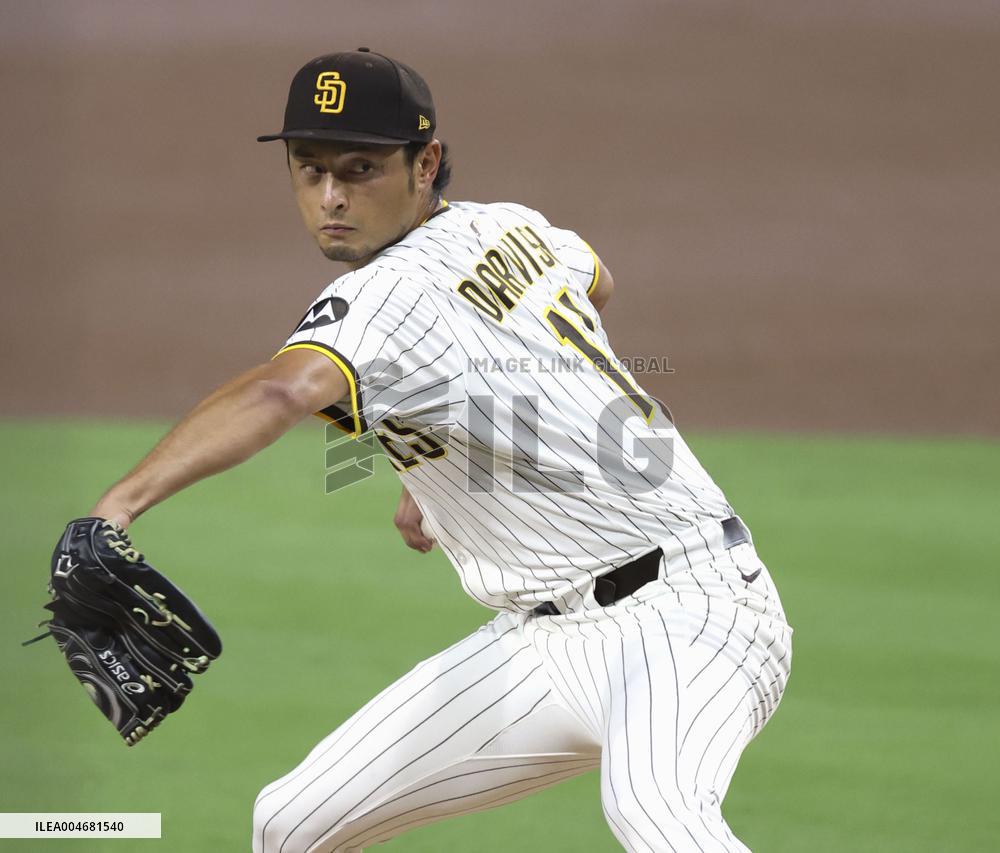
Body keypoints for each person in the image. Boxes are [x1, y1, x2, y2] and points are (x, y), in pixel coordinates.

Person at [90, 48, 792, 852]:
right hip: (540, 643)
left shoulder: (380, 295)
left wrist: (117, 504)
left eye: (360, 168)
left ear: (424, 163)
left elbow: (280, 391)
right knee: (288, 823)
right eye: (309, 168)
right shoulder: (509, 224)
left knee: (658, 814)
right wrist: (451, 455)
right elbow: (592, 283)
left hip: (690, 612)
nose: (331, 197)